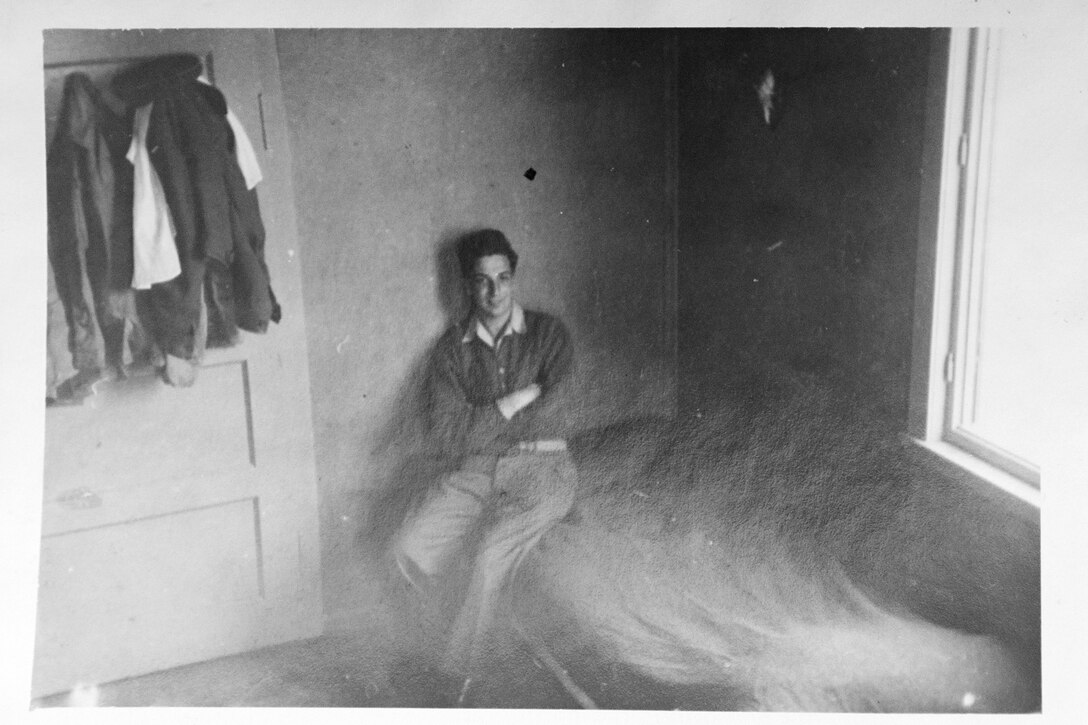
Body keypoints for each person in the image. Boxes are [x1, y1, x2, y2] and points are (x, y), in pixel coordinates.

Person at [392, 228, 578, 695]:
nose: (495, 292)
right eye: (482, 281)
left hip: (543, 466)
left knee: (488, 559)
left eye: (503, 278)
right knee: (409, 548)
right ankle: (439, 646)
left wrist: (484, 419)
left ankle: (460, 679)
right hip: (478, 469)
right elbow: (449, 432)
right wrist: (520, 397)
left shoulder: (549, 334)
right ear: (467, 286)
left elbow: (560, 411)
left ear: (513, 278)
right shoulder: (451, 349)